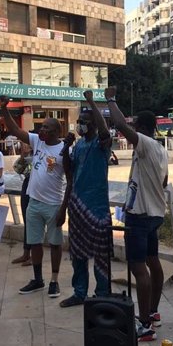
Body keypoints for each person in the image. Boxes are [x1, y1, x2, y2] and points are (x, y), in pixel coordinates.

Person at [105, 86, 168, 342]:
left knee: (138, 268)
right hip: (153, 214)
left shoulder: (145, 145)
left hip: (140, 217)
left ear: (141, 127)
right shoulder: (160, 150)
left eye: (135, 127)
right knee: (153, 262)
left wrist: (110, 99)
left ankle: (144, 325)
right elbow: (163, 183)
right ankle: (152, 312)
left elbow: (119, 123)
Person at [0, 95, 65, 298]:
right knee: (35, 242)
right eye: (41, 127)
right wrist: (4, 108)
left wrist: (64, 208)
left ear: (55, 132)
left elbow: (70, 179)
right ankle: (38, 280)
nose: (41, 130)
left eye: (46, 128)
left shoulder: (64, 150)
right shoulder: (37, 142)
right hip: (34, 202)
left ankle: (54, 280)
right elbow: (15, 130)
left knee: (55, 244)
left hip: (53, 204)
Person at [58, 92, 113, 307]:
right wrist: (65, 149)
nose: (80, 125)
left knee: (100, 255)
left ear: (94, 125)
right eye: (79, 121)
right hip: (78, 207)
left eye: (84, 122)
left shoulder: (102, 144)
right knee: (78, 254)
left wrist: (91, 102)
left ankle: (102, 293)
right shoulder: (79, 145)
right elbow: (69, 173)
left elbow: (105, 131)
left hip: (97, 209)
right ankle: (79, 292)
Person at [11, 143, 33, 266]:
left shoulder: (41, 154)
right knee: (27, 220)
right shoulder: (27, 156)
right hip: (27, 186)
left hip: (37, 189)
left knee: (35, 223)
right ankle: (26, 253)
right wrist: (23, 156)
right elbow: (17, 169)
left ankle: (34, 255)